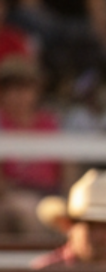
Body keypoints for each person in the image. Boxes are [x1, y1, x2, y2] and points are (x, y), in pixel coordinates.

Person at [5, 0, 106, 95]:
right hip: (38, 21)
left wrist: (104, 29)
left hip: (70, 27)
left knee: (88, 46)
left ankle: (81, 87)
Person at [0, 54, 61, 234]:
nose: (19, 95)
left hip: (50, 194)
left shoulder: (49, 123)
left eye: (25, 88)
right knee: (26, 210)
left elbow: (66, 165)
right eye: (12, 89)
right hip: (12, 194)